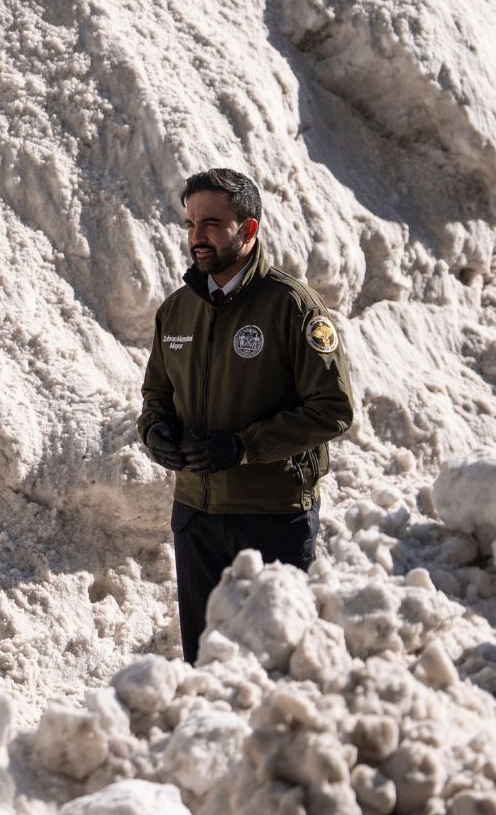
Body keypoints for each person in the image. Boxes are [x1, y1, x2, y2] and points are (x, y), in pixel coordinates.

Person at [139, 168, 354, 664]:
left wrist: (242, 446)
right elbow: (155, 395)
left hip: (272, 517)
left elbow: (333, 409)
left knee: (277, 667)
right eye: (192, 224)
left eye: (212, 224)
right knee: (204, 663)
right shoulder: (176, 311)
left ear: (248, 229)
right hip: (195, 516)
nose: (197, 237)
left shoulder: (292, 306)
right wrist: (154, 430)